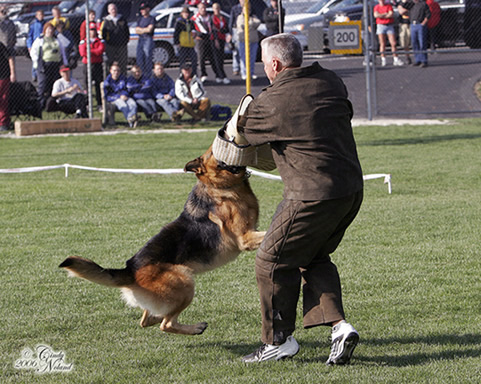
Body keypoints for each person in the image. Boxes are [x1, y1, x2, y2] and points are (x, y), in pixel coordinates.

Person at [235, 33, 363, 364]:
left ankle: (278, 341)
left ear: (275, 64)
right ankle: (340, 328)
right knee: (311, 255)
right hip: (349, 190)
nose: (264, 68)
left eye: (264, 63)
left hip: (311, 194)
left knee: (270, 260)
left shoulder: (274, 100)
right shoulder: (330, 81)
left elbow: (245, 131)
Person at [30, 22, 68, 109]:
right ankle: (40, 105)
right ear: (45, 30)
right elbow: (33, 52)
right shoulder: (40, 40)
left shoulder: (57, 39)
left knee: (54, 84)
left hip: (55, 64)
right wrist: (36, 62)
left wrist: (64, 63)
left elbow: (63, 50)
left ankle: (51, 104)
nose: (50, 31)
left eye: (51, 29)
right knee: (43, 85)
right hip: (44, 65)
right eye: (48, 29)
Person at [104, 62, 138, 127]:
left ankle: (132, 120)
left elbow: (126, 89)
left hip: (125, 96)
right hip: (114, 98)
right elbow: (107, 95)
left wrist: (124, 95)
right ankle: (131, 121)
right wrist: (119, 96)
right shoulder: (107, 82)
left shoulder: (123, 78)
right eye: (114, 70)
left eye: (118, 71)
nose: (116, 72)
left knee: (133, 104)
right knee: (124, 106)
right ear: (110, 71)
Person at [79, 26, 105, 109]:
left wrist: (90, 51)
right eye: (90, 30)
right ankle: (87, 104)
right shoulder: (84, 41)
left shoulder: (99, 41)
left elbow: (100, 50)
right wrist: (94, 51)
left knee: (98, 84)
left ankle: (99, 103)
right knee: (86, 84)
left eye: (94, 30)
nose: (92, 32)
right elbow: (83, 53)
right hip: (87, 64)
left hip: (97, 64)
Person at [101, 3, 130, 75]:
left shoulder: (122, 19)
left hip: (122, 45)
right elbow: (103, 34)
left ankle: (123, 78)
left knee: (123, 63)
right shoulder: (106, 21)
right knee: (110, 62)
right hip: (110, 46)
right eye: (111, 9)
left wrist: (125, 41)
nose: (113, 10)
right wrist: (108, 41)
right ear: (108, 11)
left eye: (114, 8)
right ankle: (110, 78)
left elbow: (127, 32)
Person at [373, 0, 404, 66]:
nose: (382, 1)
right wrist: (385, 14)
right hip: (380, 25)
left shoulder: (389, 6)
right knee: (382, 43)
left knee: (393, 43)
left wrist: (381, 15)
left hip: (389, 25)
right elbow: (376, 15)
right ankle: (383, 59)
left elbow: (390, 14)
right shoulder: (376, 7)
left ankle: (395, 59)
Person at [0, 5, 16, 131]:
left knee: (4, 99)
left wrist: (12, 73)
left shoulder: (1, 46)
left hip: (3, 74)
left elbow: (10, 57)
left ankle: (4, 123)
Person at [192, 2, 216, 83]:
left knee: (213, 58)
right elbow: (195, 29)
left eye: (204, 8)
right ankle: (203, 74)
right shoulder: (195, 18)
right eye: (201, 8)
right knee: (201, 58)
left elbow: (212, 28)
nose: (203, 9)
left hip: (209, 40)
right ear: (198, 9)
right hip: (200, 40)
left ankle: (218, 74)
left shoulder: (209, 17)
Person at [236, 2, 261, 80]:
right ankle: (244, 73)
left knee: (252, 58)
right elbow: (242, 26)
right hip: (244, 41)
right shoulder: (240, 17)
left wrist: (250, 24)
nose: (247, 11)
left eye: (248, 9)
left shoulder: (253, 17)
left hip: (253, 40)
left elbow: (258, 22)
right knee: (244, 58)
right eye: (245, 9)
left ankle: (251, 72)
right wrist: (252, 25)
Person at [403, 0, 431, 67]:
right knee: (414, 42)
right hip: (413, 24)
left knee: (422, 43)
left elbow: (428, 14)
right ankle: (417, 60)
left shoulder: (423, 4)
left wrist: (423, 23)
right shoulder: (411, 4)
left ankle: (424, 60)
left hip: (420, 24)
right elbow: (403, 7)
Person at [173, 7, 198, 76]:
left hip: (190, 44)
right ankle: (182, 74)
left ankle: (194, 74)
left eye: (187, 13)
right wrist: (177, 42)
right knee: (182, 61)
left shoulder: (190, 22)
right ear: (182, 14)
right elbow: (176, 33)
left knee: (194, 59)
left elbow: (194, 30)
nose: (186, 15)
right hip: (183, 44)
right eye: (184, 13)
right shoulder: (179, 22)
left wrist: (194, 32)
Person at [211, 2, 230, 84]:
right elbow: (213, 29)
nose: (217, 10)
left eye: (218, 8)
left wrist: (227, 34)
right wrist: (216, 39)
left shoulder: (222, 17)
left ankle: (219, 75)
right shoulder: (212, 18)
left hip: (222, 38)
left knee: (221, 58)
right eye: (215, 8)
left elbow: (226, 28)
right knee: (217, 58)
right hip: (215, 39)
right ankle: (221, 75)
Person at [135, 2, 155, 78]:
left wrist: (141, 30)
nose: (142, 11)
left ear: (148, 9)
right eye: (141, 10)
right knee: (140, 59)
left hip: (148, 39)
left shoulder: (151, 19)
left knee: (147, 58)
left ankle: (148, 76)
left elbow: (149, 30)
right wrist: (144, 29)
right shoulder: (140, 19)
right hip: (140, 39)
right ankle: (141, 76)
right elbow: (136, 30)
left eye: (143, 9)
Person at [27, 10, 46, 82]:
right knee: (35, 59)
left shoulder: (45, 24)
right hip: (35, 45)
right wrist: (29, 46)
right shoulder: (33, 25)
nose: (41, 16)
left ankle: (41, 73)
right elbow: (29, 36)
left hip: (43, 44)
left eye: (42, 15)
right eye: (39, 15)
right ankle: (34, 75)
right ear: (36, 16)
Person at [229, 0, 244, 76]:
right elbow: (231, 20)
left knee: (244, 50)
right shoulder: (235, 8)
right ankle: (236, 68)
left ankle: (244, 68)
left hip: (246, 30)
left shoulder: (248, 7)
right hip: (236, 30)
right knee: (236, 50)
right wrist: (231, 33)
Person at [397, 0, 412, 64]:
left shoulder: (413, 2)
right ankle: (407, 56)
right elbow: (401, 11)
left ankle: (418, 57)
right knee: (404, 40)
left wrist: (407, 11)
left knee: (413, 40)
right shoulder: (401, 3)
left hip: (412, 23)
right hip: (403, 24)